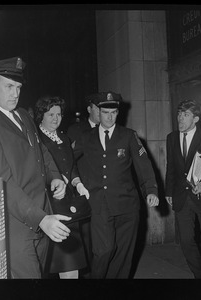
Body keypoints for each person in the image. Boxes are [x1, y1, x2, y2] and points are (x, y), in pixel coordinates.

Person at [0, 57, 70, 279]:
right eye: (9, 86)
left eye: (19, 87)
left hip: (41, 217)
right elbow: (1, 183)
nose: (15, 93)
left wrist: (54, 176)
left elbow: (40, 149)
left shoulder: (23, 115)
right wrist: (40, 219)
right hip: (15, 226)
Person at [73, 91, 159, 279]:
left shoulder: (129, 136)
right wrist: (75, 180)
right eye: (105, 112)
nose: (109, 116)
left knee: (123, 255)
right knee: (103, 251)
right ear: (98, 112)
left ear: (118, 113)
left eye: (113, 112)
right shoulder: (86, 137)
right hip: (99, 204)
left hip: (127, 205)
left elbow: (144, 165)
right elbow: (69, 161)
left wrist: (151, 190)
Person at [34, 96, 90, 279]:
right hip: (48, 206)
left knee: (70, 259)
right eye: (51, 114)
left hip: (67, 205)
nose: (55, 118)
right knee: (46, 262)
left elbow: (71, 166)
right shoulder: (35, 139)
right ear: (41, 116)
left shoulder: (64, 138)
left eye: (58, 114)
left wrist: (77, 183)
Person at [165, 99, 201, 279]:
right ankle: (200, 276)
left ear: (195, 119)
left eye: (185, 115)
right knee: (186, 242)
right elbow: (170, 167)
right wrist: (168, 191)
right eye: (179, 114)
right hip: (181, 196)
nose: (180, 118)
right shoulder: (171, 138)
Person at [66, 93, 101, 277]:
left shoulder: (109, 129)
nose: (102, 111)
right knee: (87, 239)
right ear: (89, 109)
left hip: (104, 193)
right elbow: (69, 161)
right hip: (84, 192)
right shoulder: (76, 130)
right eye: (97, 107)